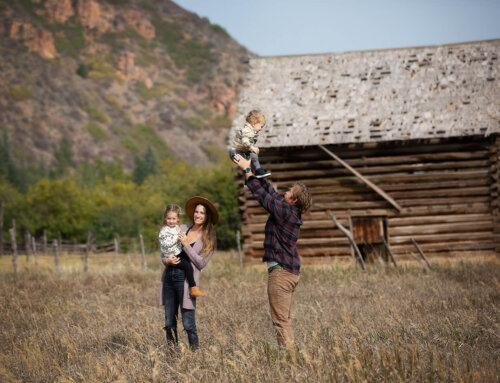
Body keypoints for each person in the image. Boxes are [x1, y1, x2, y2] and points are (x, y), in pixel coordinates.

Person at [234, 153, 312, 350]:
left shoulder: (286, 211)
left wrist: (247, 170)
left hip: (281, 273)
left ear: (294, 200)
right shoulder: (289, 210)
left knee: (280, 321)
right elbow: (270, 193)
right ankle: (290, 357)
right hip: (288, 272)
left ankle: (289, 361)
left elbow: (263, 197)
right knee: (283, 319)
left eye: (289, 191)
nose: (285, 192)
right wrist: (256, 165)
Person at [159, 196, 218, 350]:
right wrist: (167, 260)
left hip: (186, 281)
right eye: (196, 212)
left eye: (202, 213)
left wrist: (186, 245)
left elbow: (201, 263)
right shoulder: (182, 228)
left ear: (207, 217)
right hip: (169, 277)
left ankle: (196, 357)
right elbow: (165, 249)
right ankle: (172, 356)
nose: (198, 215)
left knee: (188, 323)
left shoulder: (209, 238)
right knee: (169, 323)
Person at [159, 204, 205, 297]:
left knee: (188, 266)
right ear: (165, 218)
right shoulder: (164, 231)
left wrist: (184, 241)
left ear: (178, 219)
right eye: (169, 219)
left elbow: (201, 263)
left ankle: (193, 288)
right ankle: (193, 288)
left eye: (173, 219)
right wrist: (167, 260)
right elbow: (165, 245)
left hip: (178, 254)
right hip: (173, 256)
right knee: (188, 267)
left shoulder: (178, 228)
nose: (171, 221)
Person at [229, 110, 271, 181]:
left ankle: (257, 171)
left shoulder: (251, 131)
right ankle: (249, 178)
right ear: (254, 124)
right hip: (236, 152)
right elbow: (245, 141)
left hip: (242, 151)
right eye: (261, 126)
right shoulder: (247, 130)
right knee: (246, 164)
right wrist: (253, 148)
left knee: (253, 157)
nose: (261, 129)